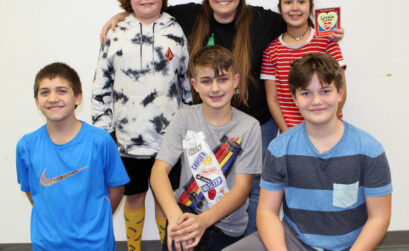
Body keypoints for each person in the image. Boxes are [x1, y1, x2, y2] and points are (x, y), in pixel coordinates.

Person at [100, 0, 344, 235]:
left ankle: (244, 243)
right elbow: (151, 10)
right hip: (206, 125)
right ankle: (198, 232)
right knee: (201, 188)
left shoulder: (263, 20)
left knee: (255, 192)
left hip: (255, 126)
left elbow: (295, 20)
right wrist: (122, 16)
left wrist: (325, 34)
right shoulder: (190, 16)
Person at [223, 54, 392, 251]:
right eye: (306, 93)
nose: (316, 101)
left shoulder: (369, 150)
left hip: (349, 245)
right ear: (294, 98)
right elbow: (267, 212)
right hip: (294, 240)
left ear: (340, 93)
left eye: (325, 91)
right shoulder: (280, 148)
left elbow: (379, 218)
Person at [91, 0, 192, 249]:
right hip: (126, 141)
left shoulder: (176, 31)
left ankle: (166, 246)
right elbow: (100, 87)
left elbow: (186, 85)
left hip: (169, 142)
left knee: (164, 199)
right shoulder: (115, 34)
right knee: (134, 198)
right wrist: (105, 134)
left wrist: (188, 131)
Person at [150, 45, 262, 251]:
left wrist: (203, 222)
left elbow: (242, 188)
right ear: (195, 85)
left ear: (236, 81)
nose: (215, 88)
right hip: (184, 216)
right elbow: (158, 172)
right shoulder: (184, 117)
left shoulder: (250, 126)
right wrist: (174, 217)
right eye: (206, 81)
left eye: (222, 79)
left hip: (228, 226)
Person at [16, 62, 130, 250]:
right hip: (47, 245)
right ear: (36, 101)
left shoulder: (100, 141)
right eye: (44, 92)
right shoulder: (26, 146)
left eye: (62, 91)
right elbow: (33, 192)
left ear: (78, 97)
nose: (53, 98)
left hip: (95, 245)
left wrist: (97, 222)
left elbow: (116, 188)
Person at [261, 0, 346, 133]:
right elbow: (273, 100)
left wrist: (323, 128)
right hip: (292, 134)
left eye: (301, 2)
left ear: (311, 6)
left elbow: (341, 90)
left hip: (329, 131)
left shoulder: (327, 41)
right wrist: (287, 134)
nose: (295, 8)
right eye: (288, 2)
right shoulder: (271, 51)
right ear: (280, 7)